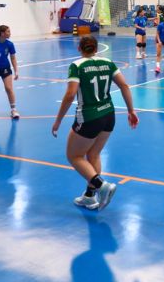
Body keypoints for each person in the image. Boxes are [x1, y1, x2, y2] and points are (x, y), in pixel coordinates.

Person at [51, 35, 138, 211]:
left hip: (89, 117)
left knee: (74, 156)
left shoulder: (77, 66)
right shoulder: (108, 63)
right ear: (97, 48)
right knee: (94, 155)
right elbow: (124, 86)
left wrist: (58, 120)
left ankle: (101, 186)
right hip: (108, 115)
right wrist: (131, 111)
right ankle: (90, 197)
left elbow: (70, 95)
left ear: (79, 49)